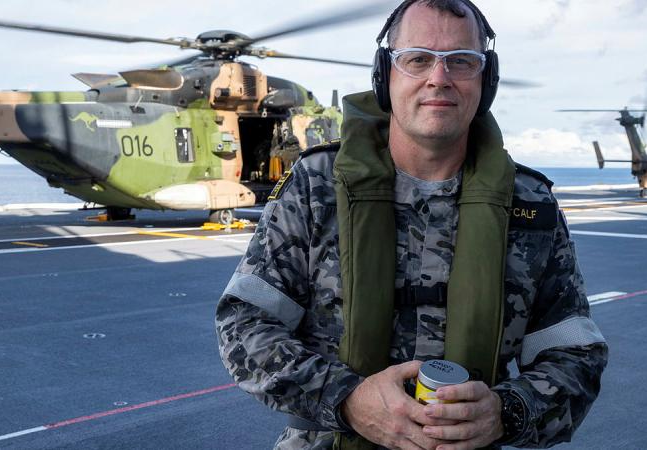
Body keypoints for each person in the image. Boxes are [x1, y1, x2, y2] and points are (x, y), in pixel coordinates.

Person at [216, 1, 608, 449]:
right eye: (417, 58)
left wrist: (507, 411)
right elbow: (244, 323)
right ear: (386, 74)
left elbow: (576, 355)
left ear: (487, 79)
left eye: (462, 61)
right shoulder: (315, 185)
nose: (438, 78)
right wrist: (347, 399)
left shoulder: (530, 203)